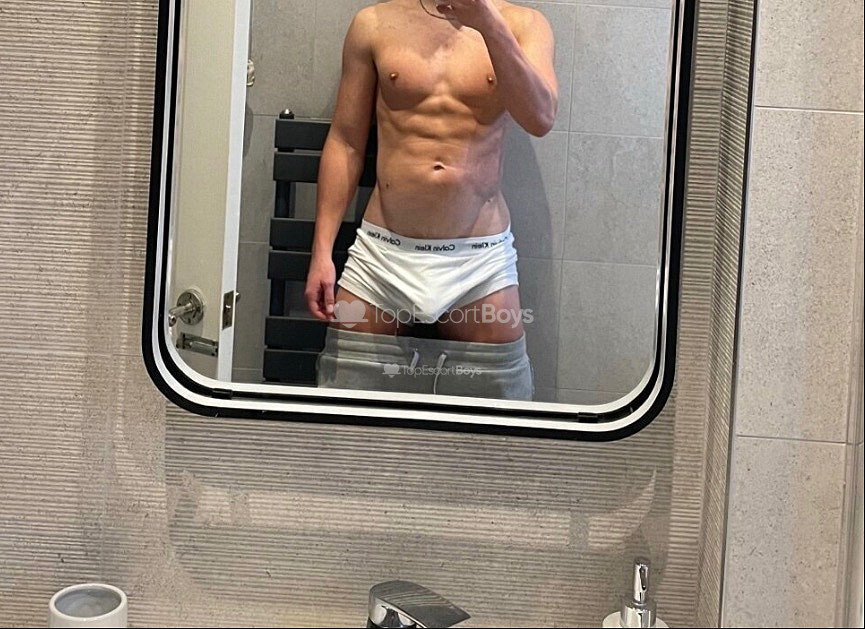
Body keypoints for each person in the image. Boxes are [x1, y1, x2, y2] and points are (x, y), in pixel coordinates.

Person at [306, 0, 557, 399]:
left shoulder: (524, 24)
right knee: (346, 403)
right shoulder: (373, 24)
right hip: (381, 256)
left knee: (499, 412)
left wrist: (488, 24)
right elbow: (347, 141)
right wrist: (322, 252)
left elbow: (541, 118)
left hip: (480, 261)